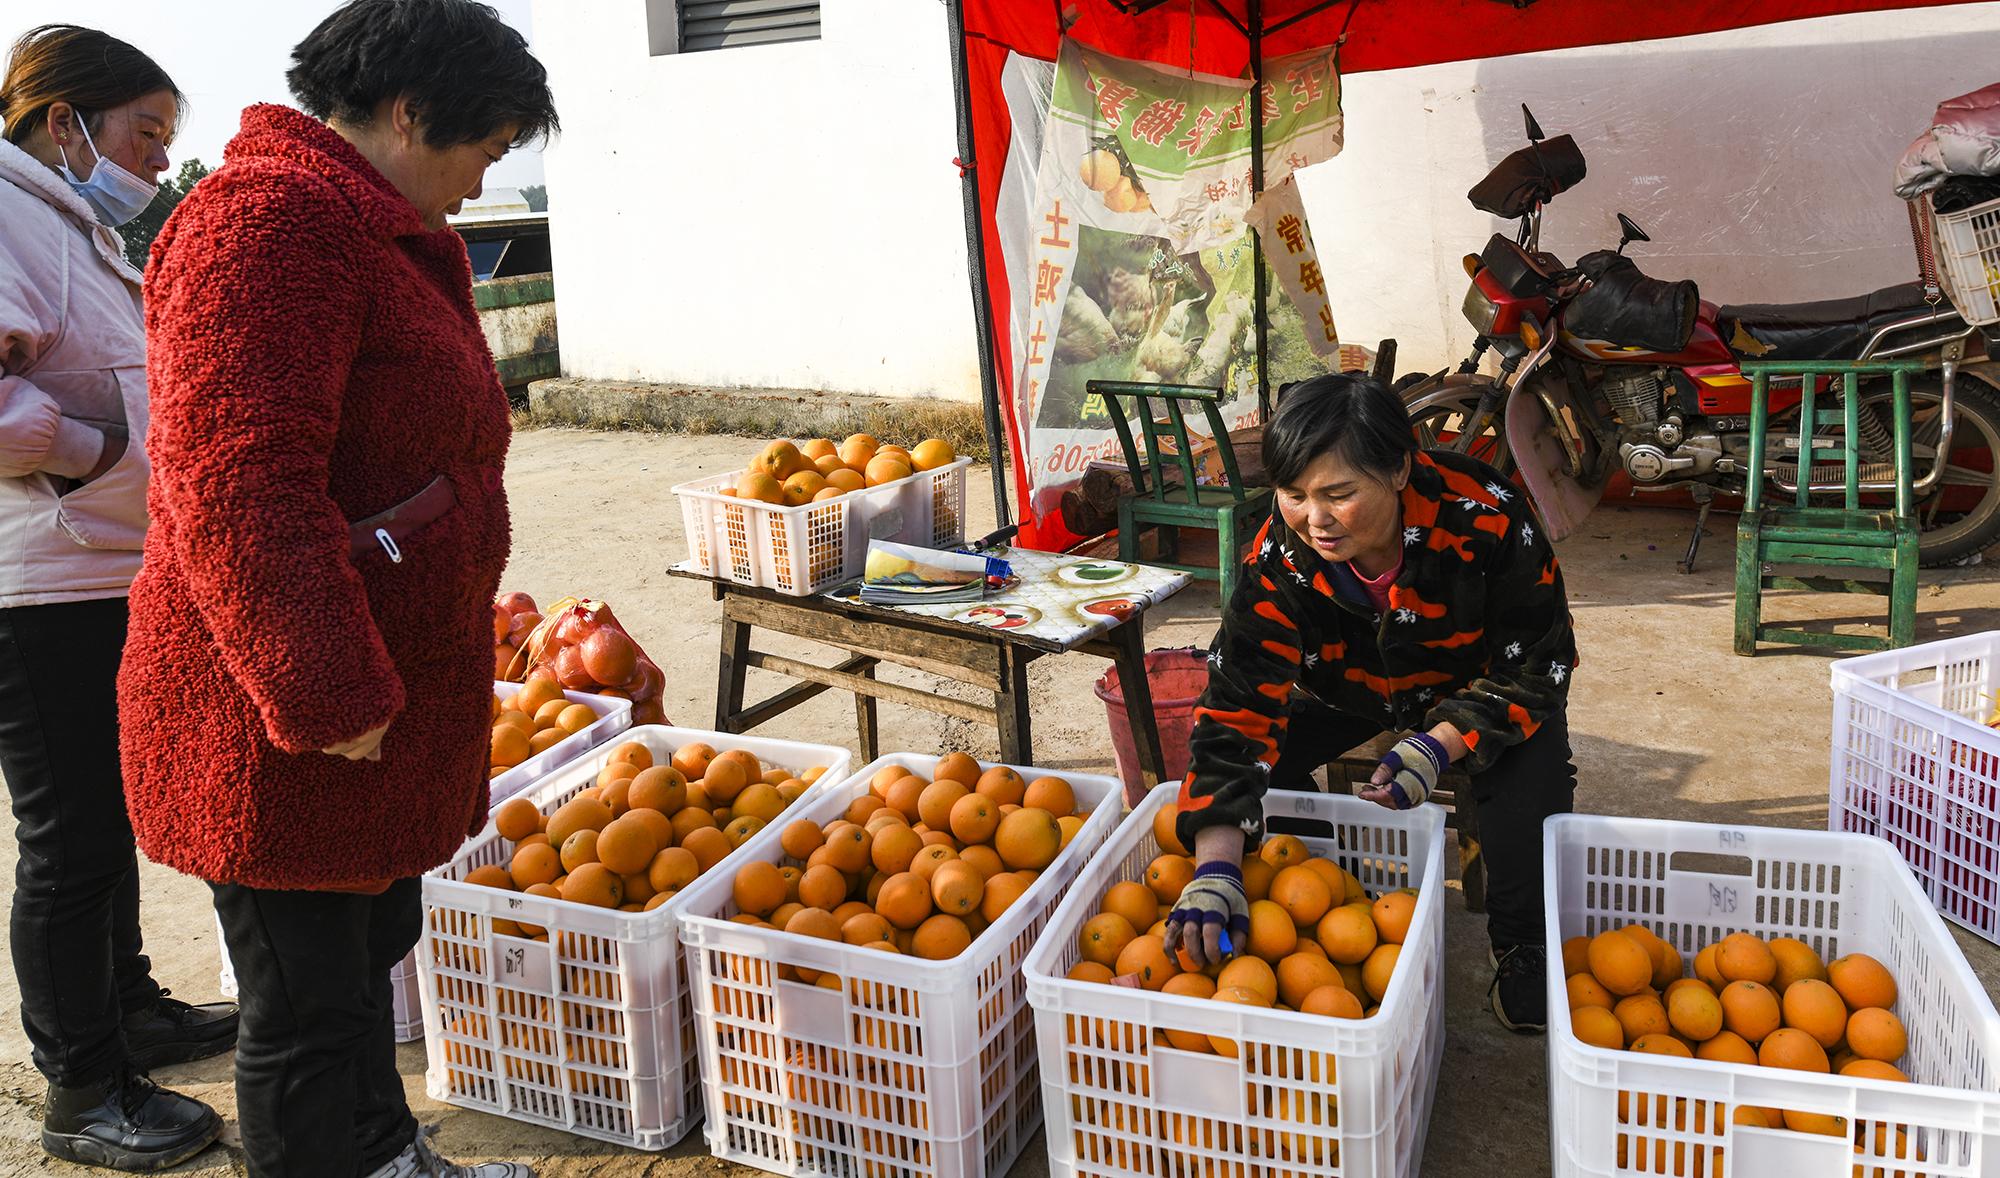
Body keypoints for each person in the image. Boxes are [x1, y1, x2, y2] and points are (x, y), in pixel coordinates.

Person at [117, 2, 556, 1175]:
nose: (481, 180)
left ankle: (385, 1154)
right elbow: (234, 481)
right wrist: (327, 689)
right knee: (305, 1010)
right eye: (485, 148)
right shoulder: (265, 226)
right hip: (281, 717)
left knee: (363, 965)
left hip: (377, 691)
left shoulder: (367, 224)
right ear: (411, 112)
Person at [0, 25, 238, 1172]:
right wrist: (88, 449)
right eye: (146, 135)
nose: (153, 164)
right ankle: (82, 1086)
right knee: (71, 834)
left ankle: (129, 1006)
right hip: (33, 579)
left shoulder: (69, 223)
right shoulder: (6, 214)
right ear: (66, 122)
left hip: (101, 562)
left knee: (111, 811)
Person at [1165, 372, 1578, 1033]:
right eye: (1294, 494)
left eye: (1338, 494)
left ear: (1397, 468)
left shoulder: (1487, 519)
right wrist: (1214, 866)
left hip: (1468, 690)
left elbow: (1537, 665)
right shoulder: (1281, 556)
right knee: (1250, 765)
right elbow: (1236, 712)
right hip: (1347, 691)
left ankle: (1524, 944)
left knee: (1531, 771)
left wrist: (1439, 741)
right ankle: (1316, 895)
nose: (1315, 519)